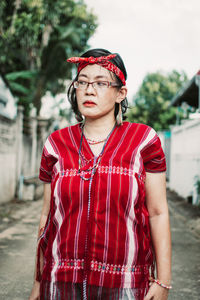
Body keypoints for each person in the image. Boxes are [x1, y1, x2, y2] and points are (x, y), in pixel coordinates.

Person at [29, 48, 171, 300]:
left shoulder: (143, 141)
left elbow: (158, 213)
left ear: (120, 93)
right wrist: (38, 282)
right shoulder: (56, 143)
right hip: (60, 282)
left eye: (100, 83)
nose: (89, 90)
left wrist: (163, 281)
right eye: (82, 82)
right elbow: (47, 216)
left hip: (124, 283)